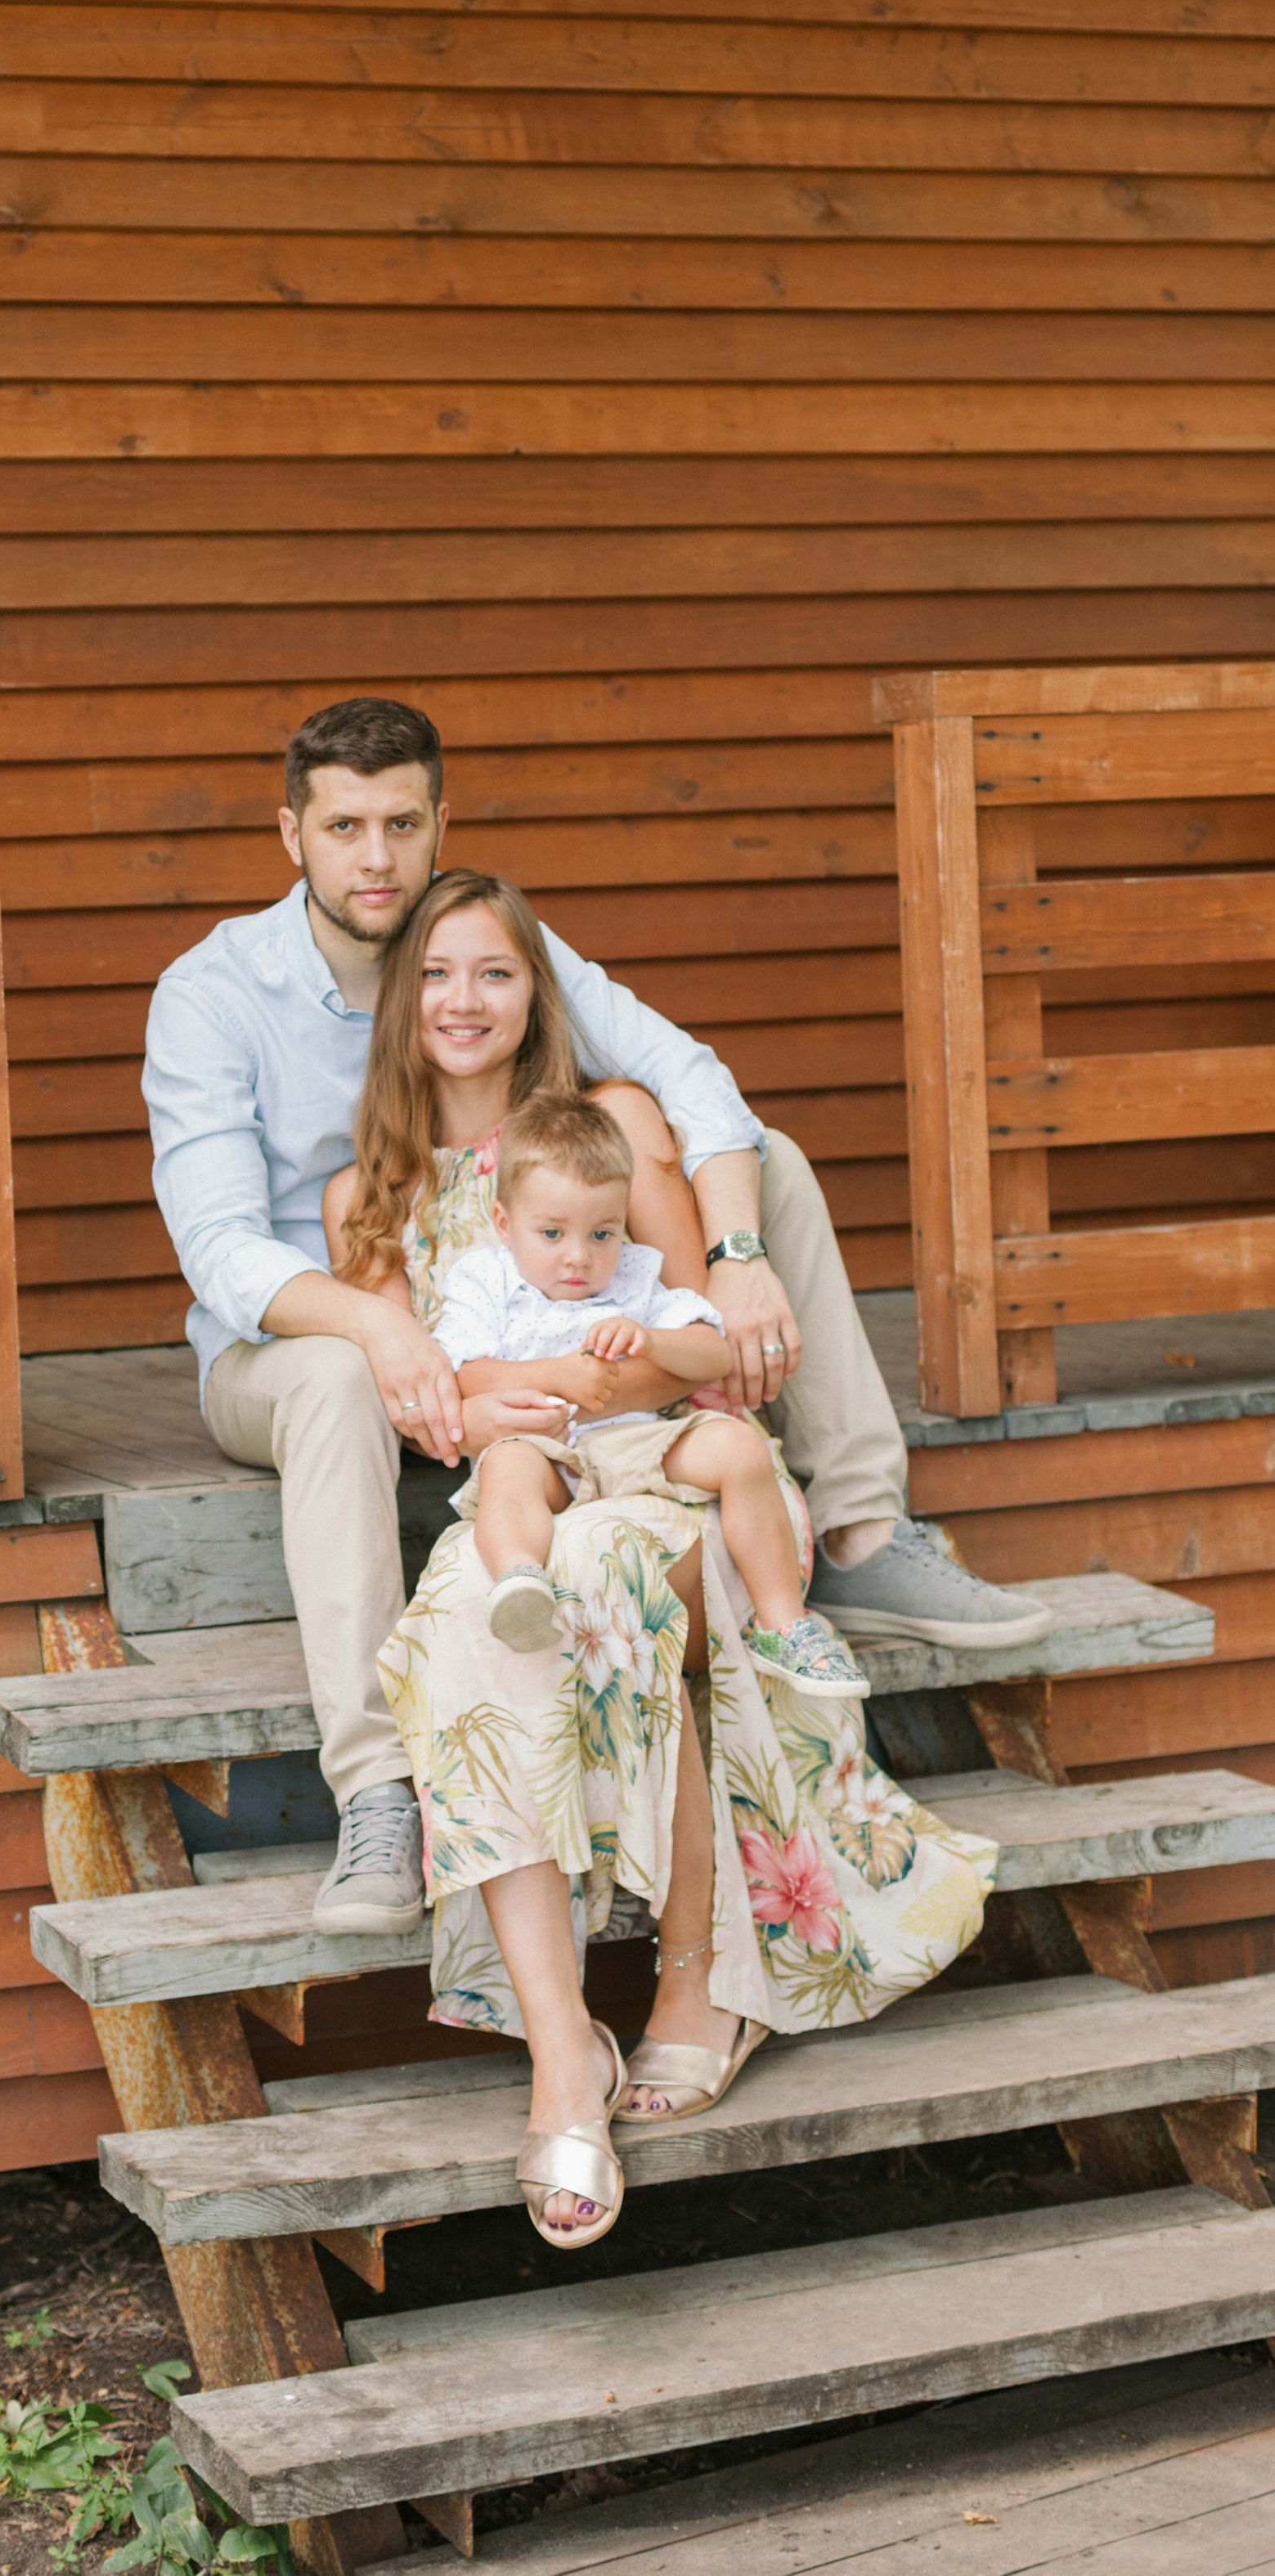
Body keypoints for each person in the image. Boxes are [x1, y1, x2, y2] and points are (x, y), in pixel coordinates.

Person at [141, 694, 1045, 1936]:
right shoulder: (214, 993)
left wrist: (730, 1252)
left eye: (402, 823)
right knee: (337, 1375)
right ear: (290, 833)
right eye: (344, 826)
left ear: (438, 820)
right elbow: (220, 1249)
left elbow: (689, 1077)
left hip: (520, 1280)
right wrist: (384, 1328)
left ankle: (861, 1525)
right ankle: (378, 1793)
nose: (377, 858)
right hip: (300, 1334)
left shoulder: (487, 937)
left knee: (765, 1157)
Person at [338, 872, 996, 2249]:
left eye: (496, 974)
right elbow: (426, 1400)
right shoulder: (371, 1192)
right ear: (401, 1008)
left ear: (536, 991)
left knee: (613, 1587)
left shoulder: (622, 1127)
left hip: (660, 1470)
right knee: (473, 1622)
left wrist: (571, 1372)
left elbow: (701, 1350)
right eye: (438, 978)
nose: (466, 1002)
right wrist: (484, 1400)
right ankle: (562, 2045)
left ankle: (698, 1979)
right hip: (520, 1495)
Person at [433, 1087, 868, 1700]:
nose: (579, 1257)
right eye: (553, 1233)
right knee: (507, 1467)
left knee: (737, 1449)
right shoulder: (486, 1280)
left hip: (639, 1442)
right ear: (505, 1223)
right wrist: (557, 1375)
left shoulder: (636, 1273)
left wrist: (652, 1340)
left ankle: (784, 1624)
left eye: (602, 1233)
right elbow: (463, 1373)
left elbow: (713, 1351)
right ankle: (521, 1581)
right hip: (547, 1452)